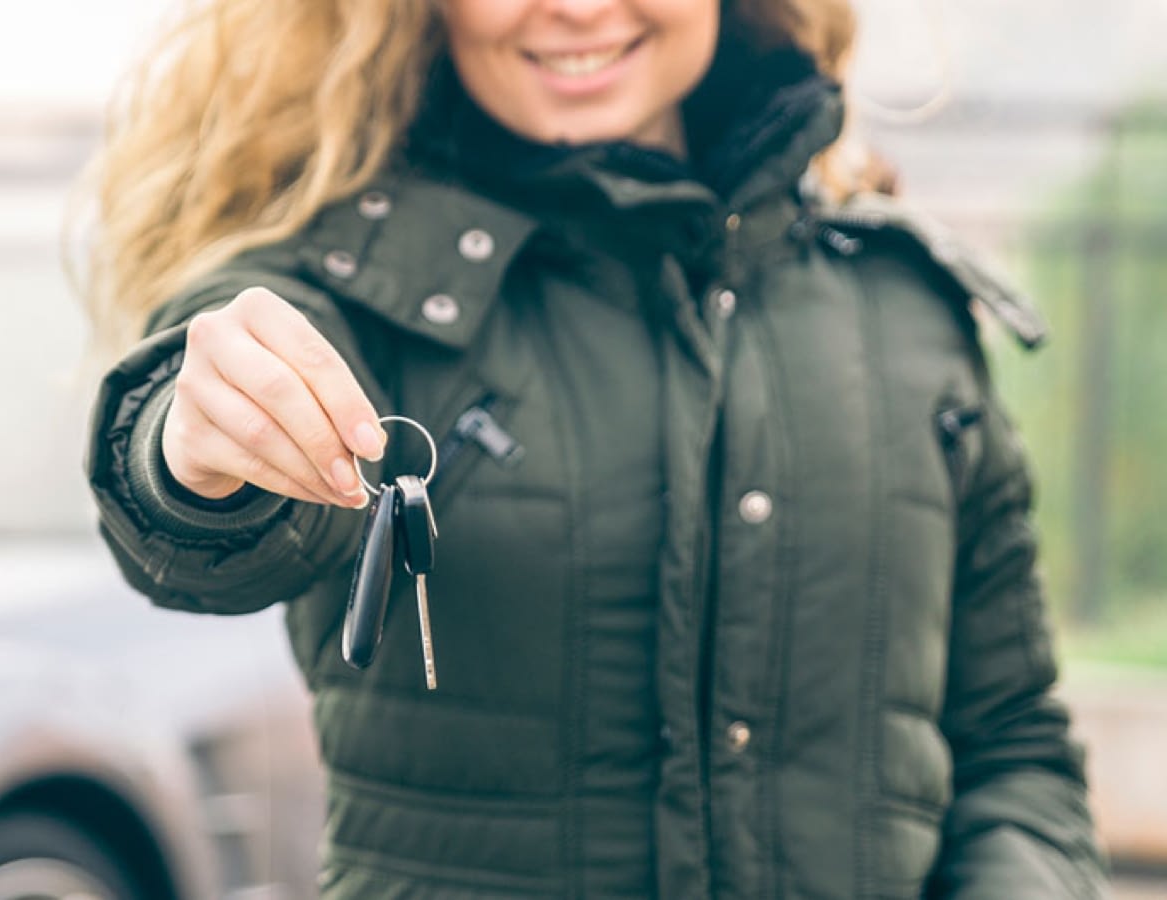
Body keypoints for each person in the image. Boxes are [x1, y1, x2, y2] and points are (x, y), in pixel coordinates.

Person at [81, 0, 1107, 896]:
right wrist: (189, 447)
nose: (575, 7)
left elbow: (1010, 739)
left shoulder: (903, 310)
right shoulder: (347, 292)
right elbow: (193, 475)